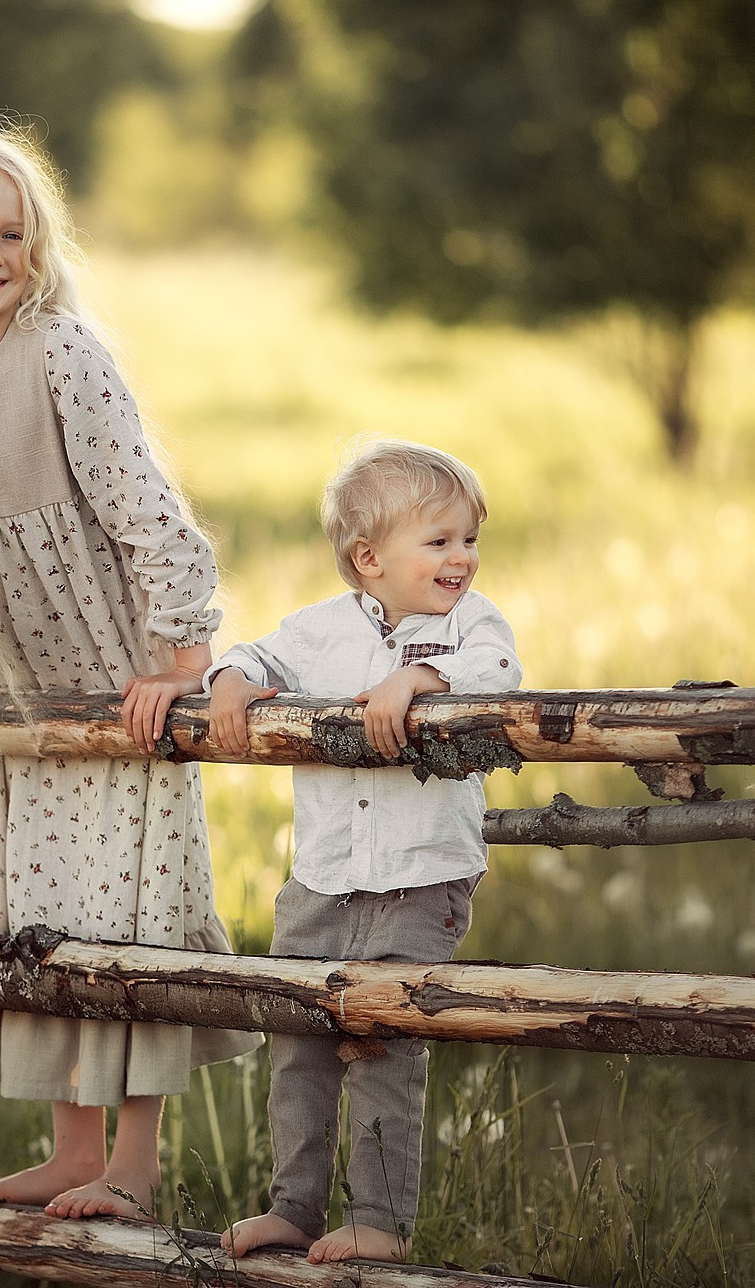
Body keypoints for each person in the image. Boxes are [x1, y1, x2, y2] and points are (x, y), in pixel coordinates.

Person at [0, 118, 258, 1222]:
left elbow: (148, 515)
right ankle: (69, 1153)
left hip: (116, 678)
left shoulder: (61, 352)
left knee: (130, 906)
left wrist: (178, 658)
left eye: (11, 231)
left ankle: (132, 1163)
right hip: (3, 692)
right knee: (41, 909)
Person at [206, 438, 521, 1264]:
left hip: (420, 876)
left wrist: (420, 681)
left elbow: (499, 670)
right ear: (369, 557)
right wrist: (230, 683)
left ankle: (379, 1217)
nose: (463, 558)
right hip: (321, 876)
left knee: (382, 1039)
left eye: (469, 539)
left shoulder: (466, 626)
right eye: (441, 540)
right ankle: (293, 1207)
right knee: (300, 1037)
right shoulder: (320, 630)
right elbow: (253, 652)